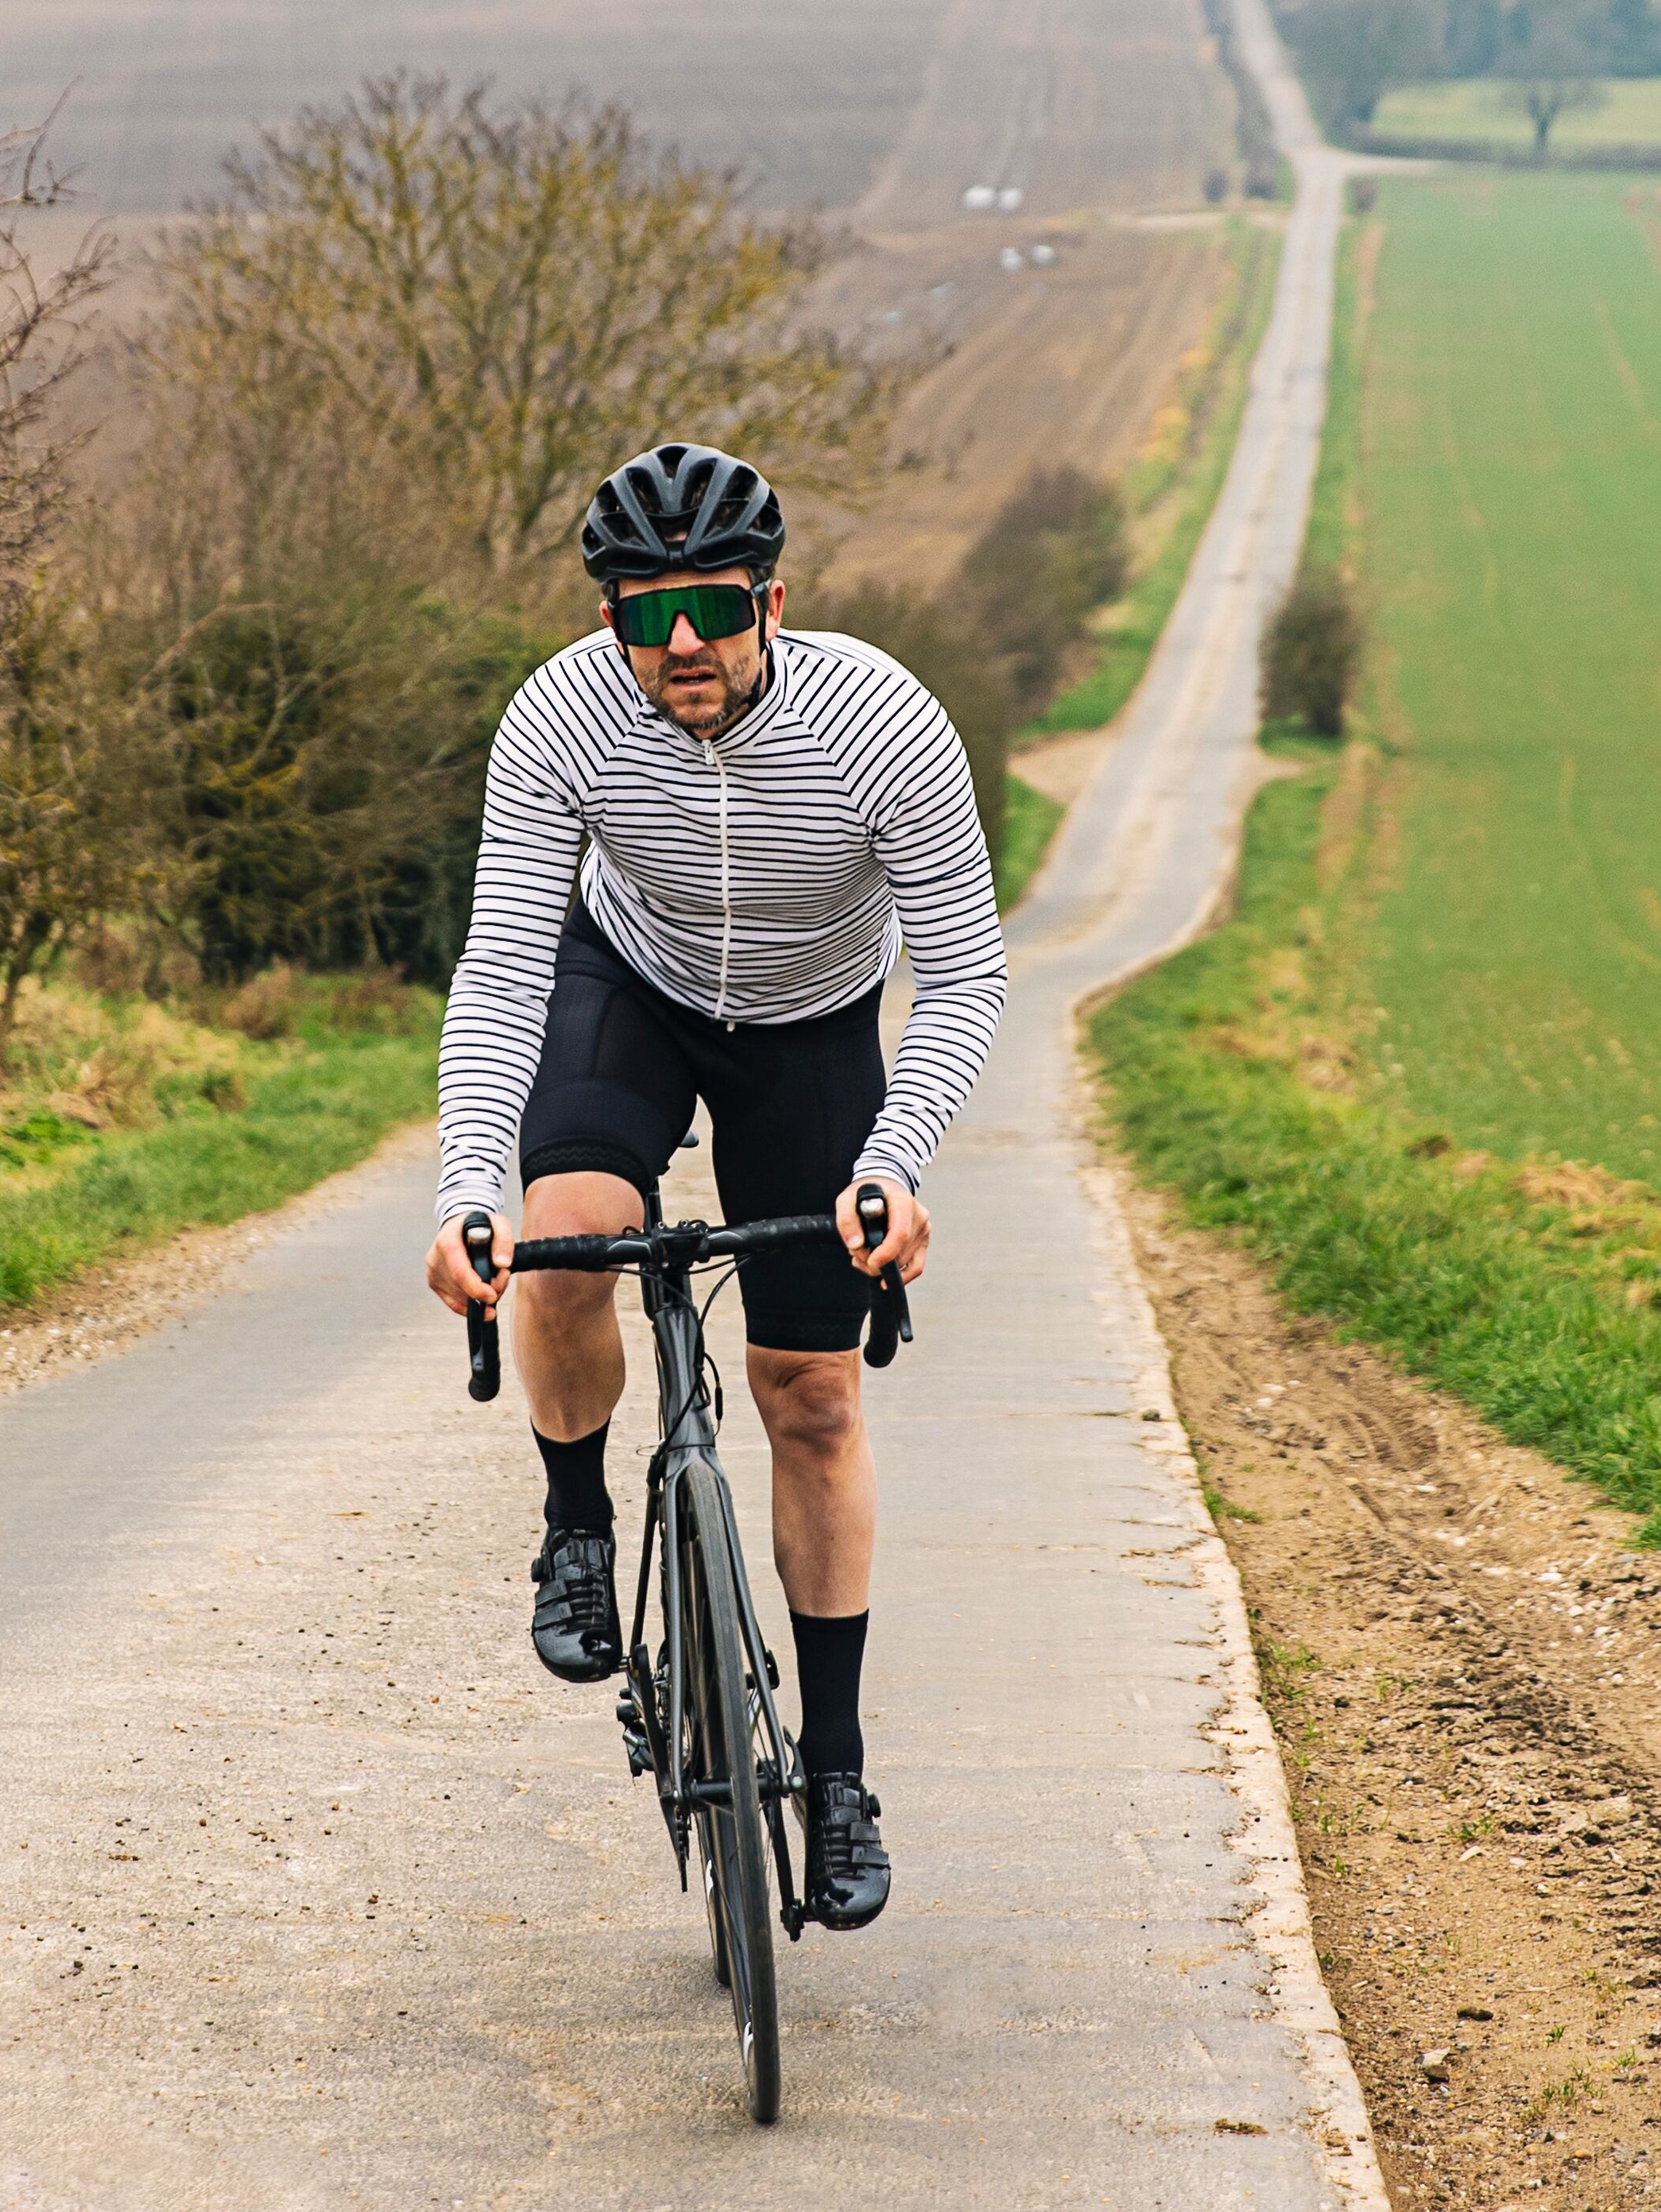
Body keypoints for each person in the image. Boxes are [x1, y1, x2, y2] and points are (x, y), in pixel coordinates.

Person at [423, 442, 1007, 1932]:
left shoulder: (881, 721)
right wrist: (467, 1184)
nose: (681, 643)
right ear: (610, 618)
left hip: (815, 1025)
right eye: (643, 613)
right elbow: (501, 970)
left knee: (811, 1394)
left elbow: (960, 975)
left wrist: (895, 1165)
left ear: (773, 599)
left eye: (713, 607)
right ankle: (576, 1529)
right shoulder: (560, 716)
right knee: (564, 1243)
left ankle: (837, 1773)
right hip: (637, 987)